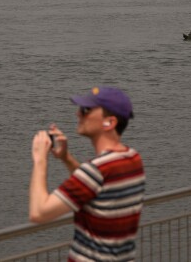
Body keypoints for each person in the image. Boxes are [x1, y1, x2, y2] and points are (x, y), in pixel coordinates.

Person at [29, 86, 145, 262]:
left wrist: (40, 160)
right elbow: (96, 189)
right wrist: (66, 158)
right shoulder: (132, 158)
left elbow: (39, 213)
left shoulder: (95, 170)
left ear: (109, 122)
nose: (78, 114)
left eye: (86, 110)